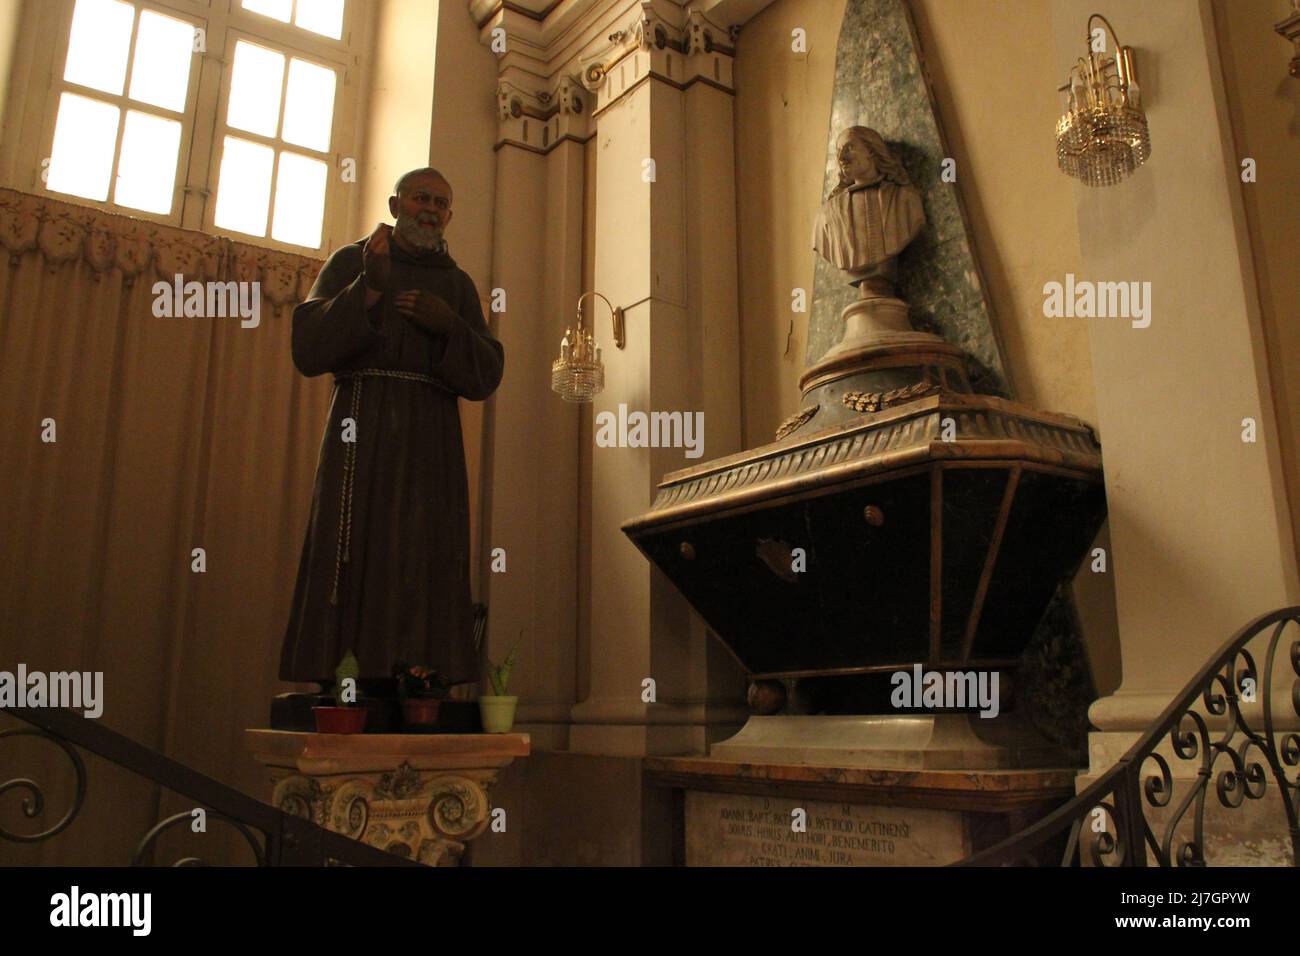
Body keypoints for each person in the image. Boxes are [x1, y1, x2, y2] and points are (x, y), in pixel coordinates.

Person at [280, 167, 504, 686]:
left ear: (449, 215)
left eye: (441, 203)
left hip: (432, 439)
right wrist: (369, 291)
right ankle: (341, 678)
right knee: (352, 541)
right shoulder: (352, 261)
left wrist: (449, 325)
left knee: (425, 548)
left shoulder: (457, 284)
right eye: (420, 198)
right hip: (361, 426)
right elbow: (308, 348)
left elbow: (487, 372)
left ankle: (419, 679)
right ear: (395, 202)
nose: (430, 209)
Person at [812, 126, 925, 300]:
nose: (842, 158)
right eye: (838, 152)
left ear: (871, 151)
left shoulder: (905, 200)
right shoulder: (826, 215)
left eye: (849, 147)